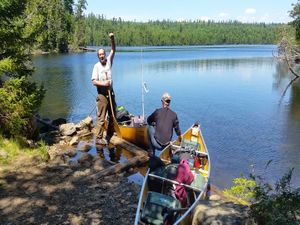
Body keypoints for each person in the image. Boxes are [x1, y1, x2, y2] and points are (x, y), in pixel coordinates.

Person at [91, 32, 116, 145]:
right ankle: (99, 138)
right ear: (98, 56)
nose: (102, 56)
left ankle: (110, 133)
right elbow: (93, 81)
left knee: (112, 115)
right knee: (101, 118)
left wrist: (112, 39)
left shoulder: (109, 62)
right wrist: (103, 83)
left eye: (103, 54)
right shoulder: (96, 66)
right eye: (100, 55)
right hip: (102, 95)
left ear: (105, 54)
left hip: (111, 93)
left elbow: (113, 50)